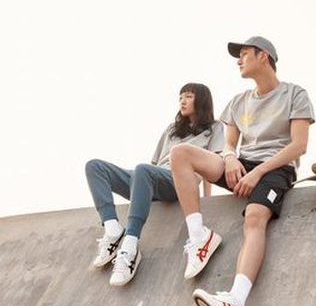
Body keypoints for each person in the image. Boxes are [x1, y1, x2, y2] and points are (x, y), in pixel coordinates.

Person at [169, 36, 315, 306]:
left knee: (254, 217)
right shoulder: (238, 101)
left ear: (264, 56)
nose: (239, 60)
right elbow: (229, 144)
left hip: (276, 168)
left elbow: (298, 146)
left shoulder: (294, 94)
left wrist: (257, 173)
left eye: (245, 54)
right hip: (241, 165)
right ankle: (199, 237)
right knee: (180, 153)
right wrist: (231, 158)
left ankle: (235, 302)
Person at [85, 83, 224, 286]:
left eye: (188, 96)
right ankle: (112, 230)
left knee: (142, 169)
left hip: (179, 182)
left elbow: (210, 168)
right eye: (180, 97)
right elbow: (154, 164)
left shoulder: (215, 128)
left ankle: (129, 247)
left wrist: (205, 198)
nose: (182, 101)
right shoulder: (172, 130)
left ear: (201, 100)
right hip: (152, 178)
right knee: (95, 167)